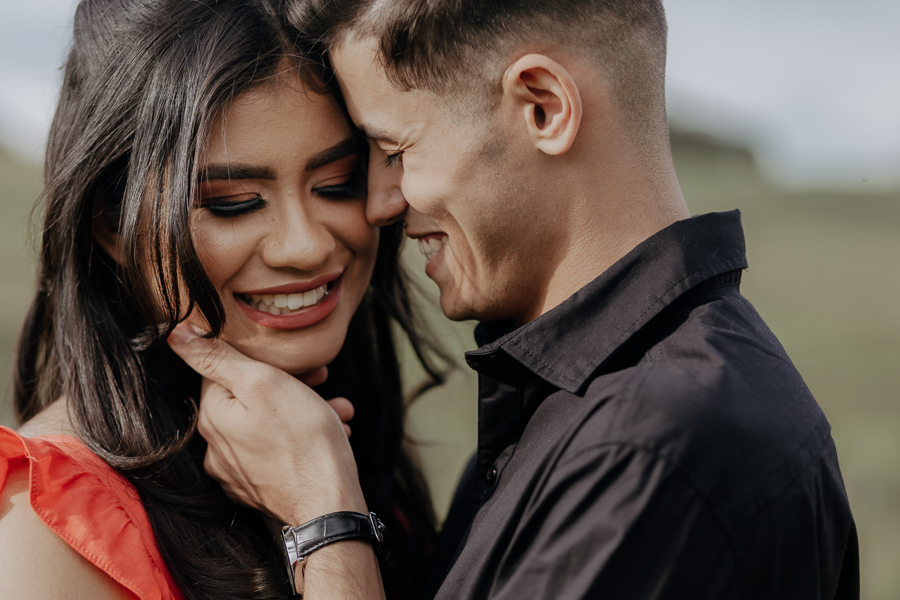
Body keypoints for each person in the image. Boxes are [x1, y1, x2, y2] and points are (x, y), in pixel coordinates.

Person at [167, 0, 860, 598]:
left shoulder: (651, 453)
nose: (379, 203)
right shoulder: (595, 404)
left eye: (396, 149)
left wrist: (325, 516)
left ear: (543, 107)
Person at [0, 1, 442, 599]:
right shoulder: (44, 529)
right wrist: (329, 526)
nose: (305, 245)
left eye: (339, 185)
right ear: (111, 223)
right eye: (234, 201)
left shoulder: (352, 448)